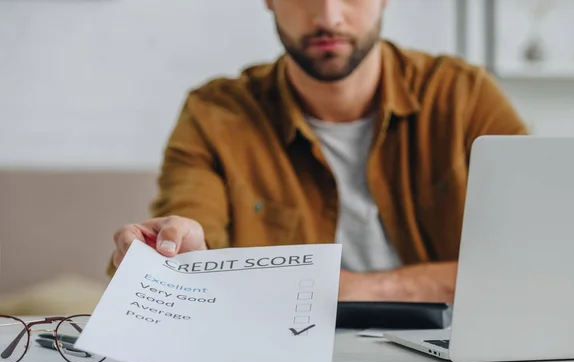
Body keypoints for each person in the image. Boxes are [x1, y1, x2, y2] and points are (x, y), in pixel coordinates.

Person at [109, 0, 527, 304]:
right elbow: (192, 221)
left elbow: (538, 255)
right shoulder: (216, 115)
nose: (329, 16)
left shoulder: (464, 96)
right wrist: (177, 248)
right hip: (278, 353)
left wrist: (358, 289)